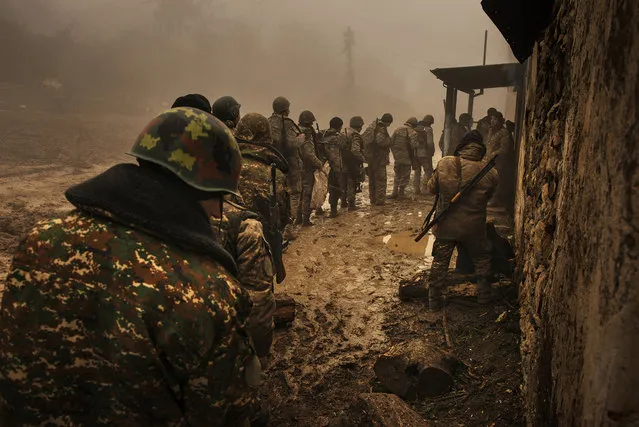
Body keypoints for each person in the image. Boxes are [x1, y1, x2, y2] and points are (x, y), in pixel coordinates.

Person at [0, 107, 261, 425]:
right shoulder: (208, 291)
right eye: (220, 197)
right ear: (202, 187)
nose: (220, 214)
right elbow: (230, 412)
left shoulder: (39, 240)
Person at [426, 130, 499, 311]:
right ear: (480, 149)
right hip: (474, 226)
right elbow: (488, 197)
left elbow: (431, 188)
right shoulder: (491, 171)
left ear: (462, 146)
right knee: (482, 258)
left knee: (440, 262)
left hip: (446, 225)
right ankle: (484, 296)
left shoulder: (445, 163)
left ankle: (434, 301)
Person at [268, 96, 304, 225]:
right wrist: (301, 138)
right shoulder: (287, 122)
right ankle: (289, 225)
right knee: (294, 193)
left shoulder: (268, 122)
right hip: (290, 163)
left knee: (277, 194)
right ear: (285, 110)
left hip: (273, 163)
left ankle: (277, 223)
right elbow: (292, 143)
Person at [298, 110, 325, 225]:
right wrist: (319, 164)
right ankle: (305, 219)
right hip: (307, 167)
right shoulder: (307, 133)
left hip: (296, 166)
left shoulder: (295, 131)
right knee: (307, 193)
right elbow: (309, 153)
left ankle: (297, 217)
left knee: (298, 193)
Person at [485, 111, 515, 210]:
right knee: (489, 179)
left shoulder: (504, 132)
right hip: (489, 160)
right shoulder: (491, 130)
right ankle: (489, 198)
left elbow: (504, 148)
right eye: (492, 119)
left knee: (497, 180)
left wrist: (494, 154)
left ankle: (495, 199)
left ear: (499, 121)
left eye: (495, 119)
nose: (492, 121)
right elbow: (488, 144)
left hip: (499, 160)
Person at [362, 113, 393, 205]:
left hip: (372, 158)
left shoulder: (375, 127)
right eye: (389, 123)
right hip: (379, 159)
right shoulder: (381, 128)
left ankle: (373, 199)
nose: (389, 125)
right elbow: (381, 142)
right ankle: (380, 201)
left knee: (372, 180)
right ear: (387, 121)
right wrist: (390, 141)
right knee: (381, 180)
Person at [322, 117, 347, 217]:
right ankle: (333, 211)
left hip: (327, 166)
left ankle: (323, 209)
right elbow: (344, 145)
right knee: (336, 188)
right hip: (337, 166)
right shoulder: (337, 137)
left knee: (330, 187)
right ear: (339, 127)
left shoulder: (324, 135)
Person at [389, 117, 417, 199]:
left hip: (397, 157)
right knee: (405, 176)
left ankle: (394, 192)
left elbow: (391, 142)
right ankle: (401, 193)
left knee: (397, 174)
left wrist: (395, 154)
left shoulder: (397, 129)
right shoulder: (412, 132)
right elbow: (414, 146)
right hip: (407, 158)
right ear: (414, 125)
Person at [342, 116, 365, 210]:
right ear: (358, 125)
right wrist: (362, 159)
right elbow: (355, 150)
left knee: (342, 182)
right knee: (351, 182)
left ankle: (343, 202)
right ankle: (351, 204)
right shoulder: (355, 135)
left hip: (341, 162)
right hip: (351, 162)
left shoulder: (343, 132)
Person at [411, 115, 436, 196]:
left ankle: (416, 189)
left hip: (415, 153)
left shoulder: (415, 128)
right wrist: (432, 151)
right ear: (430, 122)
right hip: (425, 153)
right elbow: (430, 143)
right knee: (428, 171)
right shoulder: (428, 129)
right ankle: (424, 189)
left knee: (417, 172)